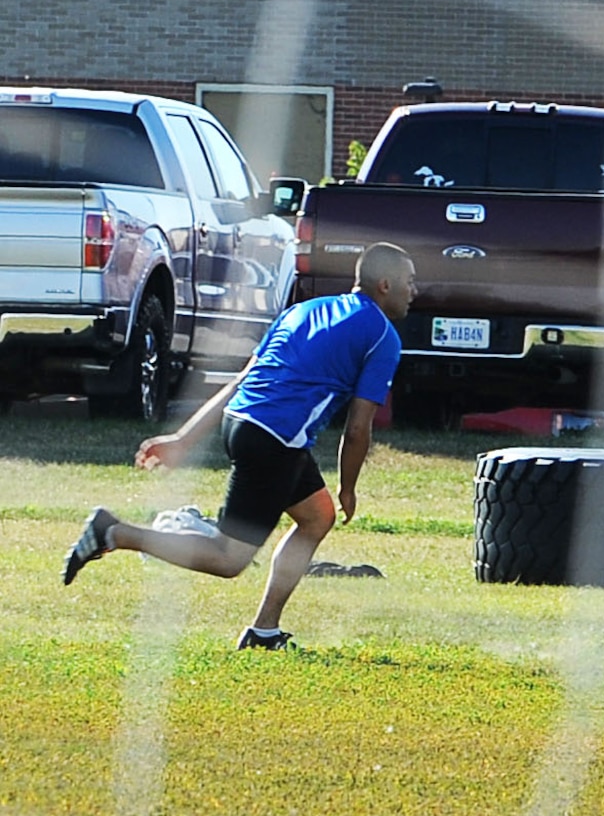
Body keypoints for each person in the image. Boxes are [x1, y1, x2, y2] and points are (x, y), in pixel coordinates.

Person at [62, 243, 418, 650]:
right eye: (409, 282)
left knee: (317, 517)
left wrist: (184, 438)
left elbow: (240, 380)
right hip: (275, 439)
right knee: (229, 558)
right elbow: (357, 429)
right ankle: (115, 533)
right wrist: (349, 487)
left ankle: (264, 631)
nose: (415, 291)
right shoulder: (382, 337)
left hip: (245, 423)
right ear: (385, 285)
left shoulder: (303, 310)